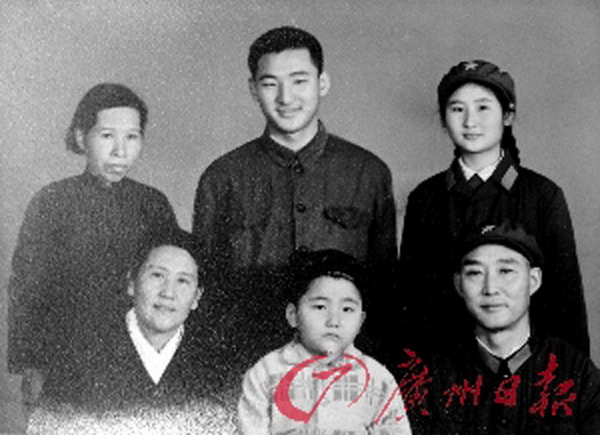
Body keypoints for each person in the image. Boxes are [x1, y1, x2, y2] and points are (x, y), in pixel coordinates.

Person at [192, 26, 397, 363]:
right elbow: (205, 289)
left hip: (346, 366)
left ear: (322, 83)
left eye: (299, 81)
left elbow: (385, 287)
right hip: (248, 361)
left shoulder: (368, 172)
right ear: (253, 89)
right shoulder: (222, 177)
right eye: (270, 84)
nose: (286, 98)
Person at [398, 60, 588, 355]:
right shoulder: (425, 197)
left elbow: (566, 301)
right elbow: (410, 299)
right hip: (442, 364)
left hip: (525, 365)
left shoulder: (542, 195)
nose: (470, 121)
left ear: (507, 115)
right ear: (443, 119)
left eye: (483, 108)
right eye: (457, 109)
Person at [7, 83, 179, 405]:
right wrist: (30, 364)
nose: (120, 151)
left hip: (137, 362)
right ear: (80, 137)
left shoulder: (153, 204)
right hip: (65, 362)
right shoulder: (51, 202)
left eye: (132, 137)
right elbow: (27, 288)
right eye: (107, 136)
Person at [405, 222, 600, 434]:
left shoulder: (576, 373)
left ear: (533, 280)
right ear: (459, 284)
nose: (490, 289)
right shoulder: (426, 375)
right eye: (475, 273)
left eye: (506, 271)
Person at [237, 250, 412, 434]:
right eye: (320, 307)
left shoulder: (378, 379)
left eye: (347, 309)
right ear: (293, 315)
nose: (334, 321)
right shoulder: (265, 374)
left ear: (361, 321)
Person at [57, 228, 222, 411]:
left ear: (197, 297)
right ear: (131, 283)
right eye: (157, 275)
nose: (168, 293)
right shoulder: (81, 356)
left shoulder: (216, 367)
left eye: (182, 281)